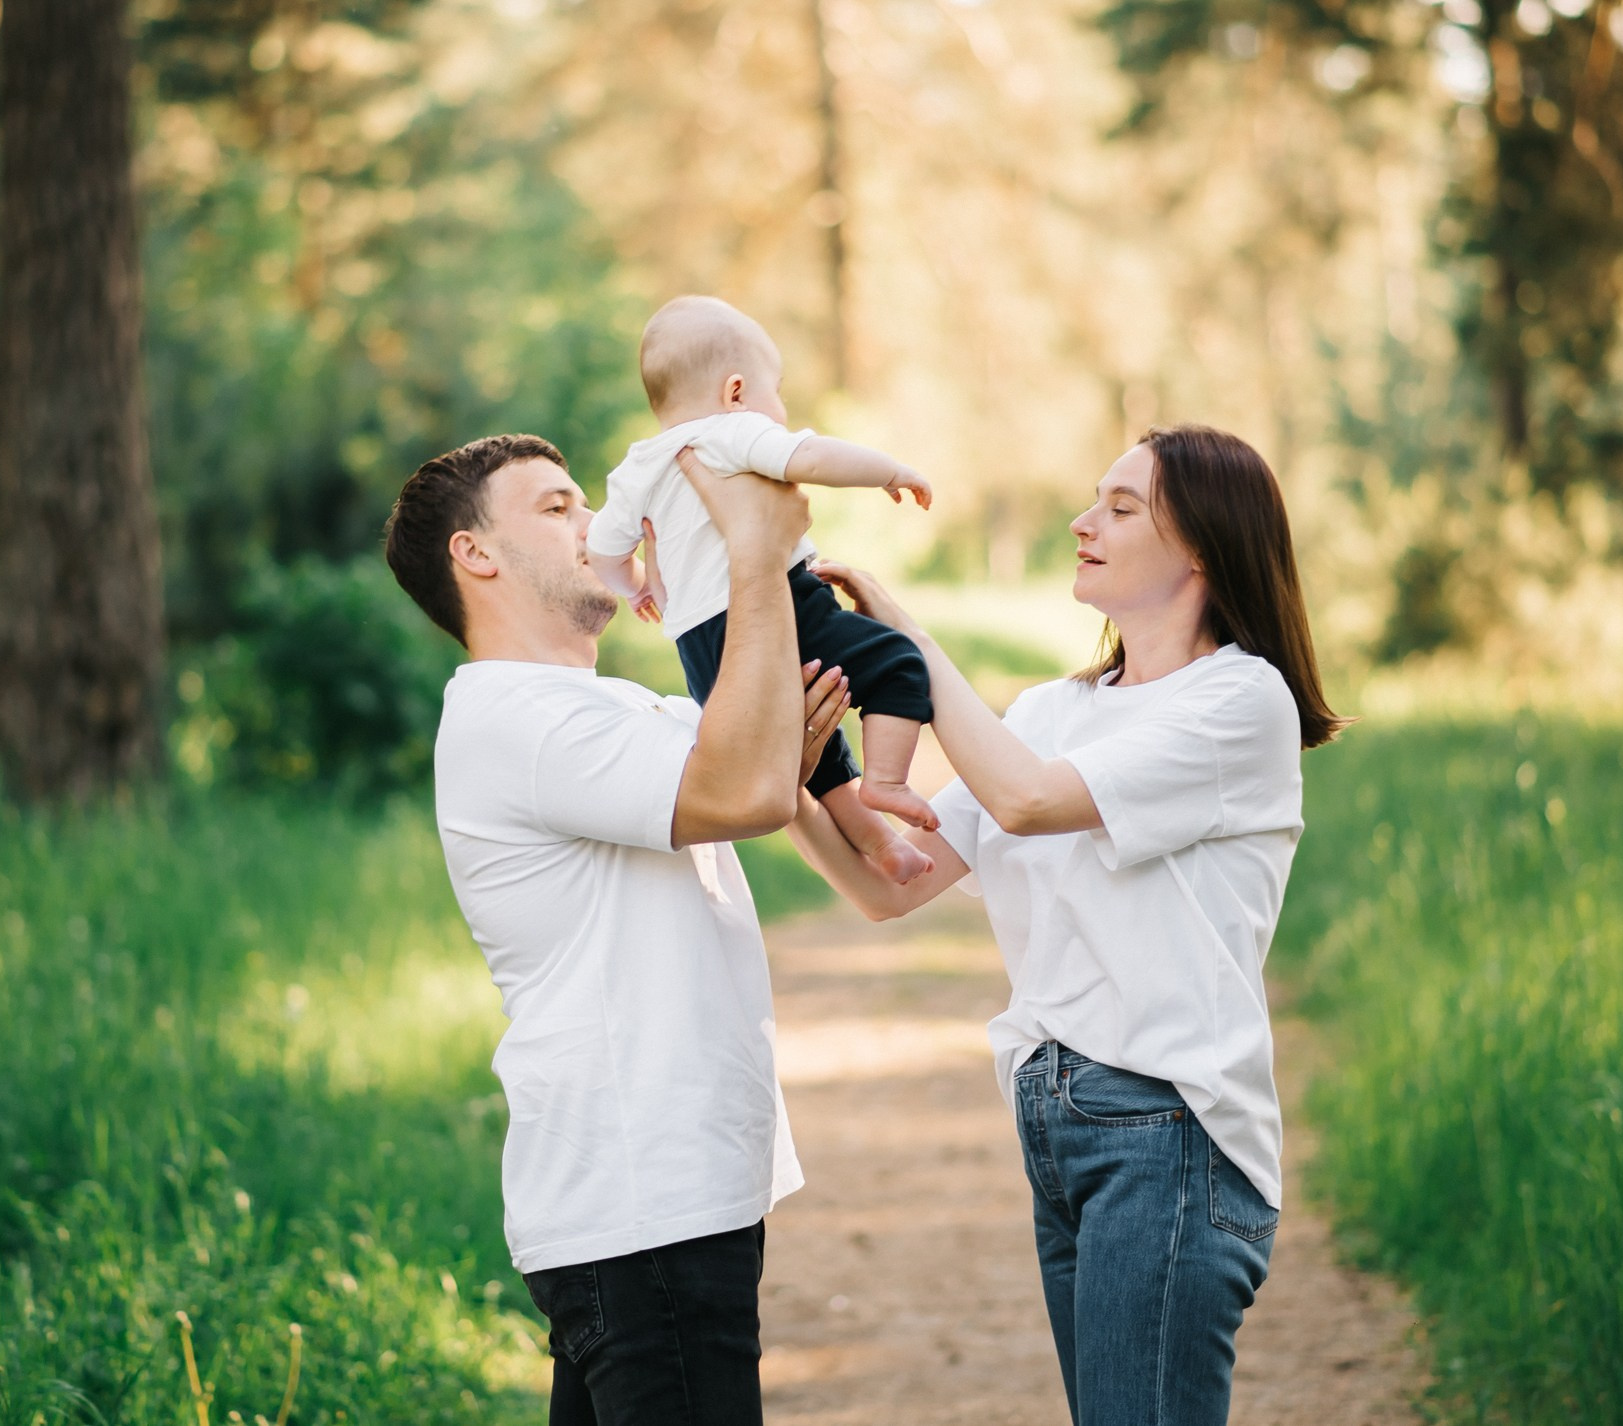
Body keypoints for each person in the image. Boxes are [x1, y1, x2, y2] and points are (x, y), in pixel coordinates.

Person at [783, 424, 1346, 1426]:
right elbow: (891, 884)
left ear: (1204, 549)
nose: (1085, 523)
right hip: (1058, 1120)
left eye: (1123, 508)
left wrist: (905, 646)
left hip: (1171, 1132)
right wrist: (801, 774)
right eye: (1096, 500)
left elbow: (1031, 803)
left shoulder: (1238, 702)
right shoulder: (1053, 710)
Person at [381, 431, 856, 1426]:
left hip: (660, 1205)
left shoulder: (613, 709)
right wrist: (752, 552)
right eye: (555, 508)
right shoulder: (522, 720)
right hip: (646, 1211)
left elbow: (761, 771)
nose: (594, 522)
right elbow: (741, 785)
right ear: (477, 555)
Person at [587, 294, 940, 885]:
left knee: (814, 751)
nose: (781, 410)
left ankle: (884, 847)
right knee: (898, 661)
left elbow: (603, 548)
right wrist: (888, 470)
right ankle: (889, 780)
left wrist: (635, 587)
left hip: (700, 645)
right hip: (777, 606)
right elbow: (814, 456)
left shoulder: (636, 469)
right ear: (736, 392)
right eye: (775, 390)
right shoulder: (733, 432)